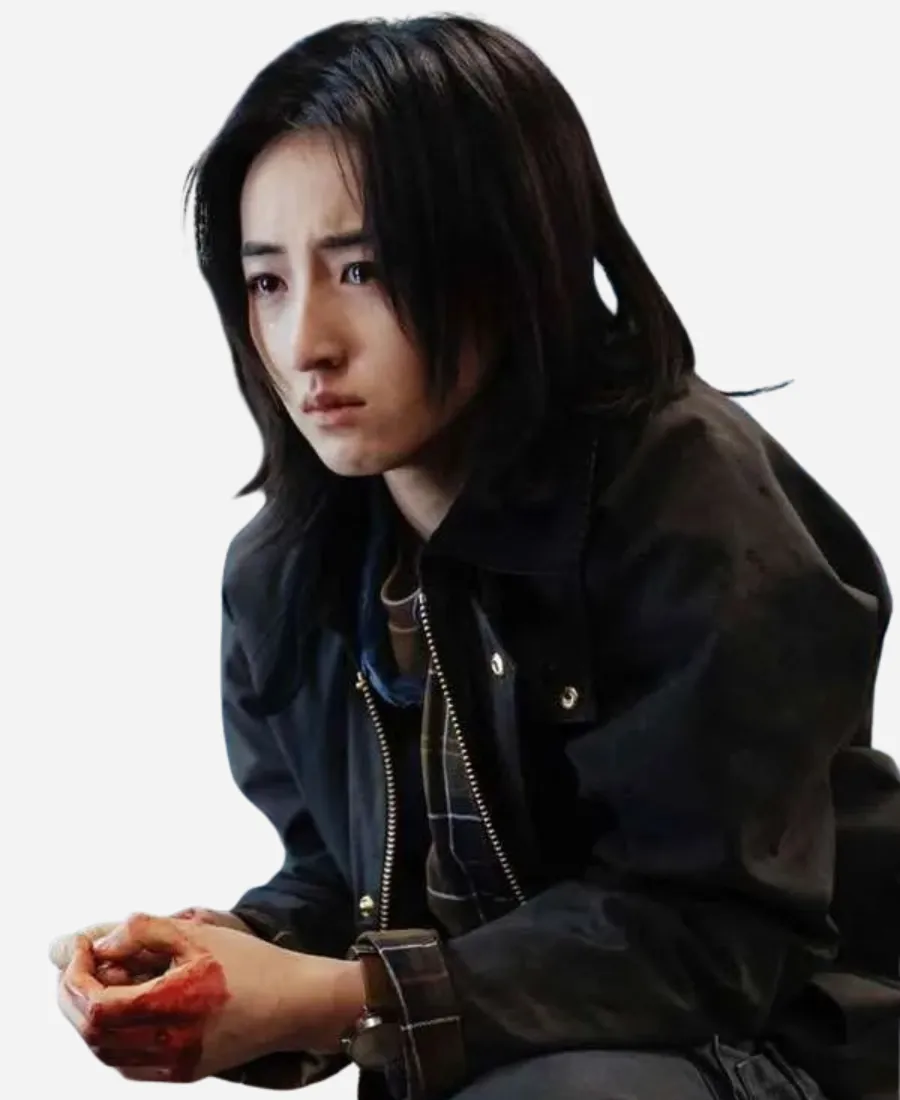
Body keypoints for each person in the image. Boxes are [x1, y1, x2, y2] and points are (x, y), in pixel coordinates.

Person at [49, 14, 900, 1100]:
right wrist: (232, 956)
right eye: (267, 282)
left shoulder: (691, 505)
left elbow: (715, 936)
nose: (306, 343)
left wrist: (339, 994)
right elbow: (349, 884)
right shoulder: (287, 572)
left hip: (783, 1048)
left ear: (507, 258)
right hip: (523, 1058)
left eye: (362, 268)